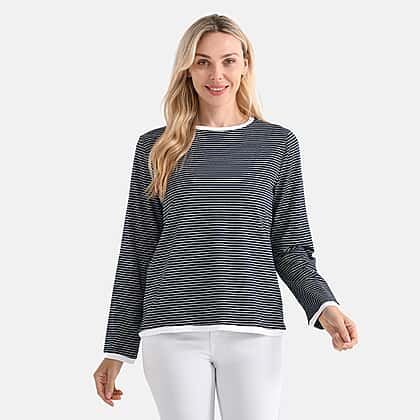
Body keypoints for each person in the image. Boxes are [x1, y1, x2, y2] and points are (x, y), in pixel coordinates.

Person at [93, 13, 358, 419]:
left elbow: (290, 246)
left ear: (245, 65)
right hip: (172, 329)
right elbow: (137, 250)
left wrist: (324, 306)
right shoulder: (156, 146)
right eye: (202, 62)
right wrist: (118, 348)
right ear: (187, 69)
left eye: (228, 61)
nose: (216, 74)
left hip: (254, 329)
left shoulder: (277, 144)